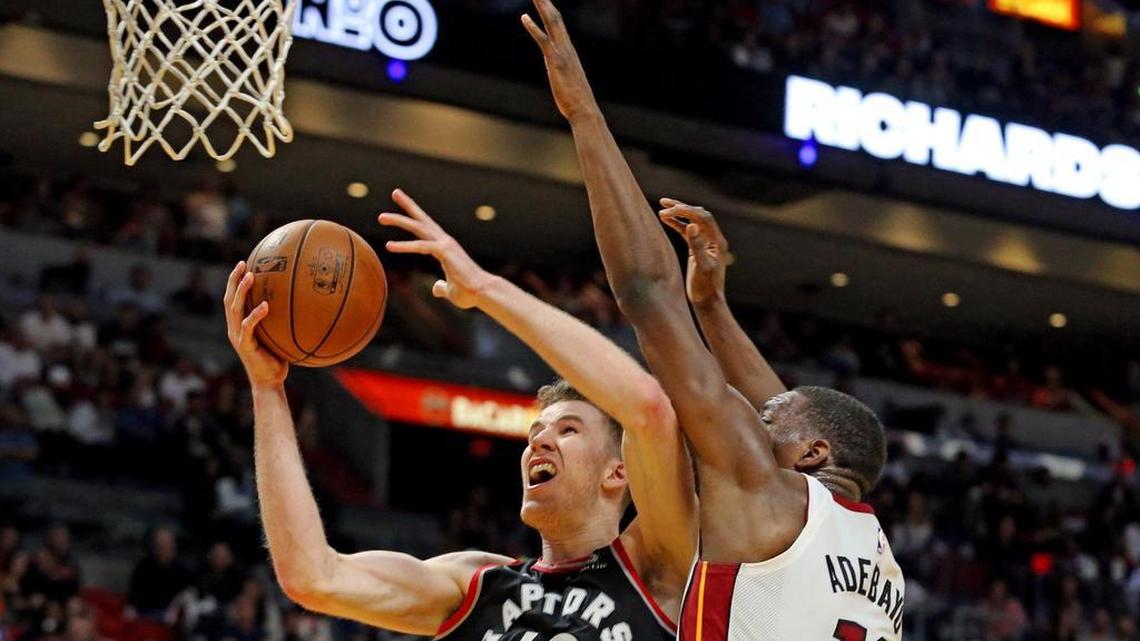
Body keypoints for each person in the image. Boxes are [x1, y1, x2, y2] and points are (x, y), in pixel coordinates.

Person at [520, 1, 904, 638]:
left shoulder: (766, 491)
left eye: (762, 423)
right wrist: (712, 307)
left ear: (812, 452)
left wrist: (584, 113)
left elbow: (645, 291)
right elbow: (783, 407)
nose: (749, 420)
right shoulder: (877, 557)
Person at [225, 188, 696, 640]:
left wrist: (486, 289)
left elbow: (649, 408)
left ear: (619, 471)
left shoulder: (658, 564)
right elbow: (313, 576)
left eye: (568, 429)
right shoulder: (476, 584)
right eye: (536, 432)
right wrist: (268, 389)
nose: (540, 442)